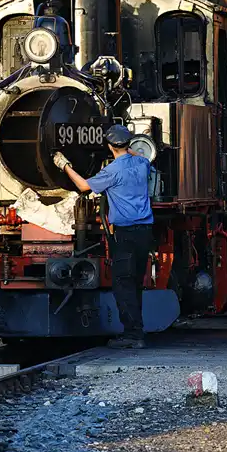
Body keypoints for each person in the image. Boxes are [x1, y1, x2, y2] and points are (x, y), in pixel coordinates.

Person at [53, 124, 152, 349]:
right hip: (145, 232)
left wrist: (64, 165)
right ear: (128, 144)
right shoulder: (142, 163)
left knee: (123, 284)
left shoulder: (113, 171)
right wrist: (128, 150)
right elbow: (136, 156)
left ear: (109, 146)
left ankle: (133, 335)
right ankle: (136, 330)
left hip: (125, 234)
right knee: (135, 283)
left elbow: (84, 186)